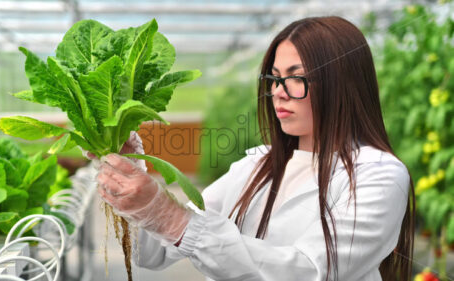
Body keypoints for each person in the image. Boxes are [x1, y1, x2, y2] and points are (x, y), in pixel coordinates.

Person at [95, 16, 415, 281]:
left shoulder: (379, 175)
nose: (278, 92)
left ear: (341, 83)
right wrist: (130, 184)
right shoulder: (255, 164)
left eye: (296, 77)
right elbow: (156, 252)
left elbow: (312, 271)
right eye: (274, 79)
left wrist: (171, 217)